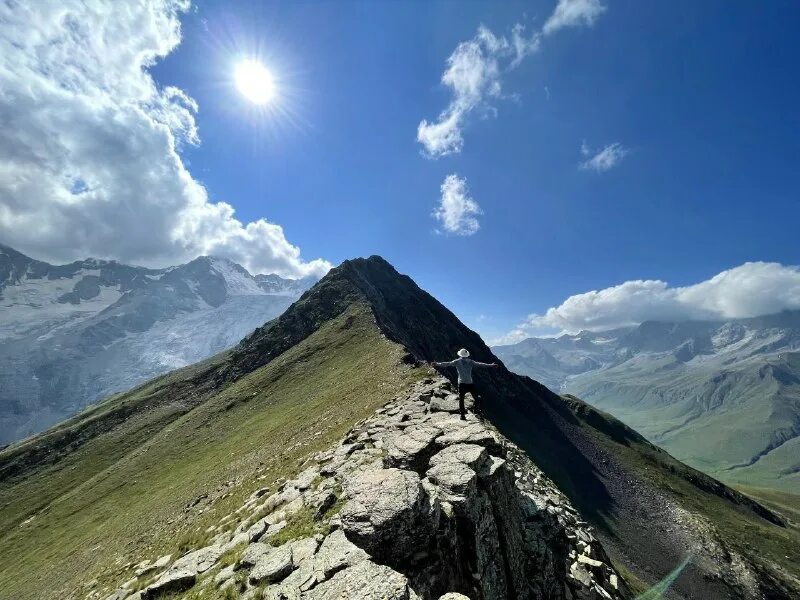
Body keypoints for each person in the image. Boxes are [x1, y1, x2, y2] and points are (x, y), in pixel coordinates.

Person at [431, 349, 499, 420]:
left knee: (461, 399)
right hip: (470, 383)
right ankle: (476, 411)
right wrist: (491, 365)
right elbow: (481, 365)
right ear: (467, 355)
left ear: (460, 355)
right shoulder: (471, 362)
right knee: (477, 398)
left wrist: (437, 364)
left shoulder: (457, 361)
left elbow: (447, 364)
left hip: (461, 384)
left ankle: (462, 415)